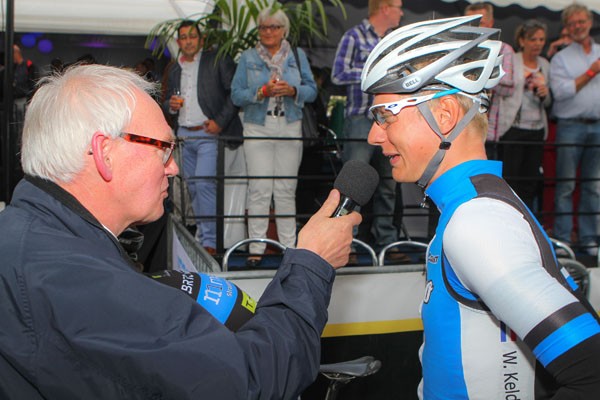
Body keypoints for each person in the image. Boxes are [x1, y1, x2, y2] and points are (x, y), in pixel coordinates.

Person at [0, 64, 361, 398]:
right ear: (104, 153)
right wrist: (311, 262)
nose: (173, 168)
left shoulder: (27, 237)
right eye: (164, 149)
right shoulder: (76, 279)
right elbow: (250, 379)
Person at [362, 15, 600, 399]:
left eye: (385, 116)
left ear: (443, 117)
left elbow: (592, 372)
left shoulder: (477, 222)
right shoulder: (476, 203)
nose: (374, 135)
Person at [231, 7, 317, 267]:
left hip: (289, 125)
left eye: (274, 27)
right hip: (257, 126)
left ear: (283, 30)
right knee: (259, 188)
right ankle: (256, 248)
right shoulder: (247, 57)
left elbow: (312, 90)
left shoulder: (297, 55)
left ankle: (288, 248)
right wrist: (260, 91)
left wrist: (292, 90)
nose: (268, 32)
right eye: (263, 27)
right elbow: (236, 94)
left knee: (285, 189)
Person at [163, 20, 243, 256]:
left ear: (201, 39)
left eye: (192, 36)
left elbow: (234, 94)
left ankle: (210, 242)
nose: (188, 41)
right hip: (185, 135)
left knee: (205, 184)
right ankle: (202, 234)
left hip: (208, 134)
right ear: (178, 42)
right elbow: (168, 102)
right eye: (184, 37)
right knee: (194, 188)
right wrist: (171, 105)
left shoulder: (215, 60)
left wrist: (220, 121)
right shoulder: (175, 68)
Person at [331, 0, 403, 255]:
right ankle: (345, 245)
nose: (401, 12)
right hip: (361, 119)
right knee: (354, 186)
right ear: (385, 8)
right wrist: (373, 72)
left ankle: (387, 242)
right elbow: (337, 75)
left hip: (392, 119)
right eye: (398, 7)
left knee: (388, 184)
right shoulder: (354, 35)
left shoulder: (396, 39)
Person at [549, 3, 600, 256]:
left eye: (582, 21)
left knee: (594, 186)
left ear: (590, 23)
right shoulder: (561, 58)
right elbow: (561, 92)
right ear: (567, 27)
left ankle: (590, 238)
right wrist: (592, 72)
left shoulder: (599, 51)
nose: (578, 26)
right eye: (573, 23)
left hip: (598, 126)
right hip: (570, 127)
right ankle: (562, 239)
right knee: (566, 186)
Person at [495, 20, 552, 211]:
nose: (537, 43)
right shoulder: (513, 59)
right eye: (533, 39)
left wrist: (544, 93)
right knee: (511, 180)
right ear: (522, 40)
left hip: (536, 128)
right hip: (513, 127)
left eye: (541, 39)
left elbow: (549, 102)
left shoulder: (544, 64)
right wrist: (525, 81)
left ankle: (528, 221)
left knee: (530, 181)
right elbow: (504, 89)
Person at [464, 2, 515, 159]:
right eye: (471, 23)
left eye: (481, 23)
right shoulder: (459, 48)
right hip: (459, 131)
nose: (476, 28)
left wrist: (478, 74)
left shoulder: (503, 49)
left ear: (491, 24)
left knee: (486, 180)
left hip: (488, 131)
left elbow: (508, 87)